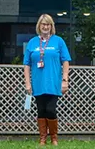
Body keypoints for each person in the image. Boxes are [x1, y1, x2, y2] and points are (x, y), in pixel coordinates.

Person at [24, 14, 71, 146]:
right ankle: (43, 138)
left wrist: (65, 79)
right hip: (38, 83)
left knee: (51, 109)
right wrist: (27, 83)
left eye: (48, 24)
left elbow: (66, 61)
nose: (45, 27)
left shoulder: (58, 41)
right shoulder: (32, 42)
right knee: (41, 110)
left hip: (53, 82)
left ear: (52, 26)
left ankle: (54, 137)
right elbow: (26, 64)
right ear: (39, 26)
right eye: (43, 24)